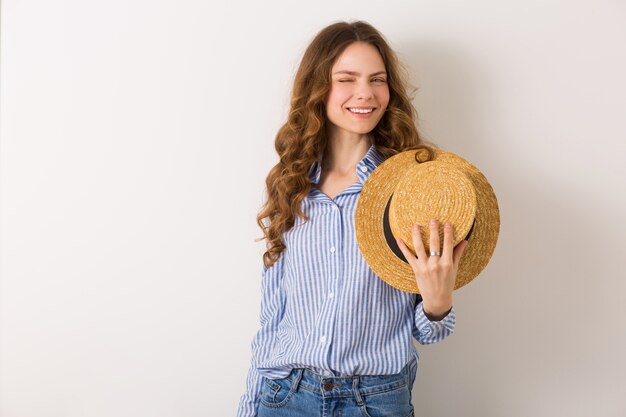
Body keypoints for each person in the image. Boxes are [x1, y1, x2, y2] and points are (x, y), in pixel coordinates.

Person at [237, 20, 469, 417]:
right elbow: (273, 316)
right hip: (286, 395)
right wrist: (249, 405)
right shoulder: (289, 185)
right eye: (347, 78)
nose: (365, 93)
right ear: (318, 87)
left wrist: (437, 303)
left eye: (377, 80)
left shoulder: (411, 190)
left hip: (375, 400)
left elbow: (429, 331)